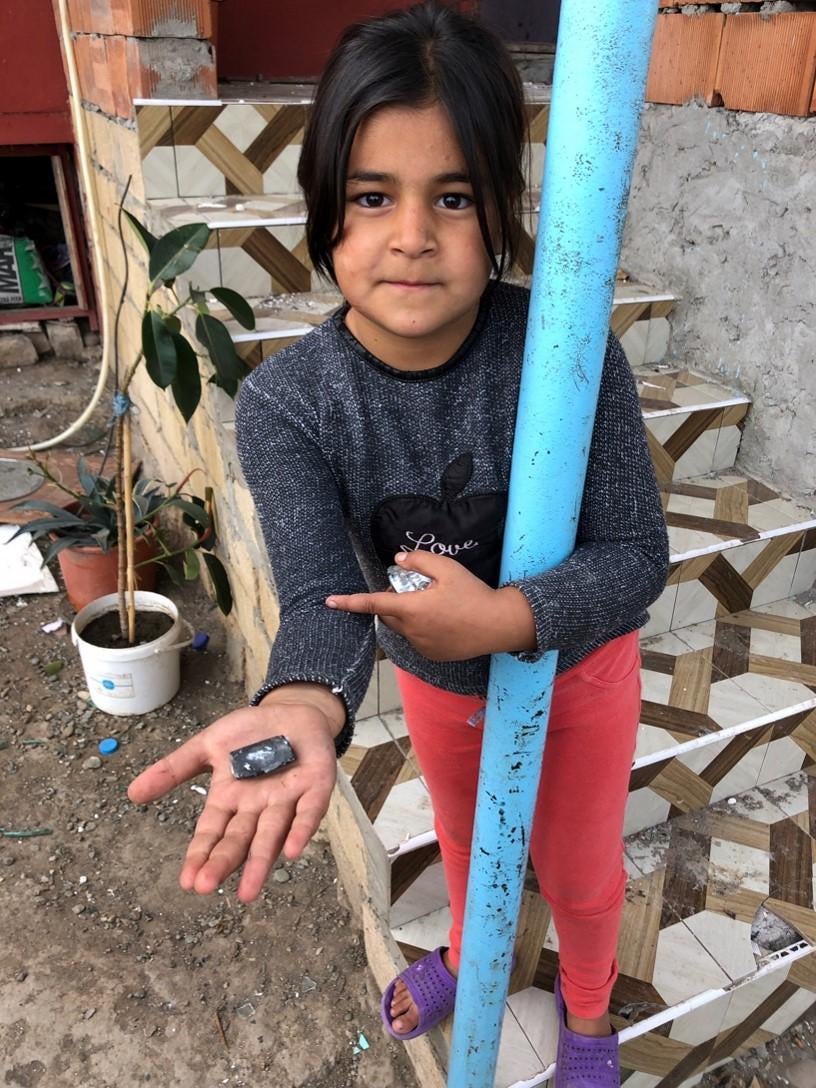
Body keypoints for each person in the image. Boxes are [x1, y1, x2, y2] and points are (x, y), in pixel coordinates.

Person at [128, 4, 669, 1085]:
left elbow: (635, 556)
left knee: (578, 864)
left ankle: (593, 1003)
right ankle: (472, 955)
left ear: (503, 214)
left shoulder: (563, 354)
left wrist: (511, 618)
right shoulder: (290, 404)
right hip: (439, 687)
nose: (411, 233)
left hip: (581, 673)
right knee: (470, 842)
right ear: (326, 207)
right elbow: (326, 594)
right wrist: (299, 704)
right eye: (374, 196)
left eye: (453, 197)